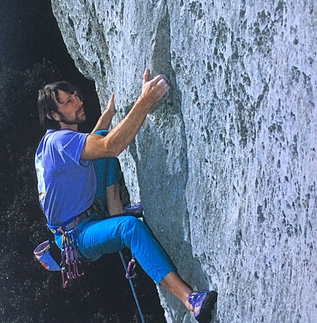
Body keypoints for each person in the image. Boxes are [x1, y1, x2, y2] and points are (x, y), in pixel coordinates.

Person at [35, 68, 218, 323]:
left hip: (86, 216)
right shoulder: (59, 142)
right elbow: (111, 146)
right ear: (53, 115)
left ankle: (115, 211)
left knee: (99, 137)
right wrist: (146, 100)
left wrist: (108, 115)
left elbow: (97, 141)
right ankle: (190, 301)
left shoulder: (53, 142)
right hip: (76, 238)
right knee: (129, 228)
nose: (78, 101)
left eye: (76, 95)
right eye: (68, 102)